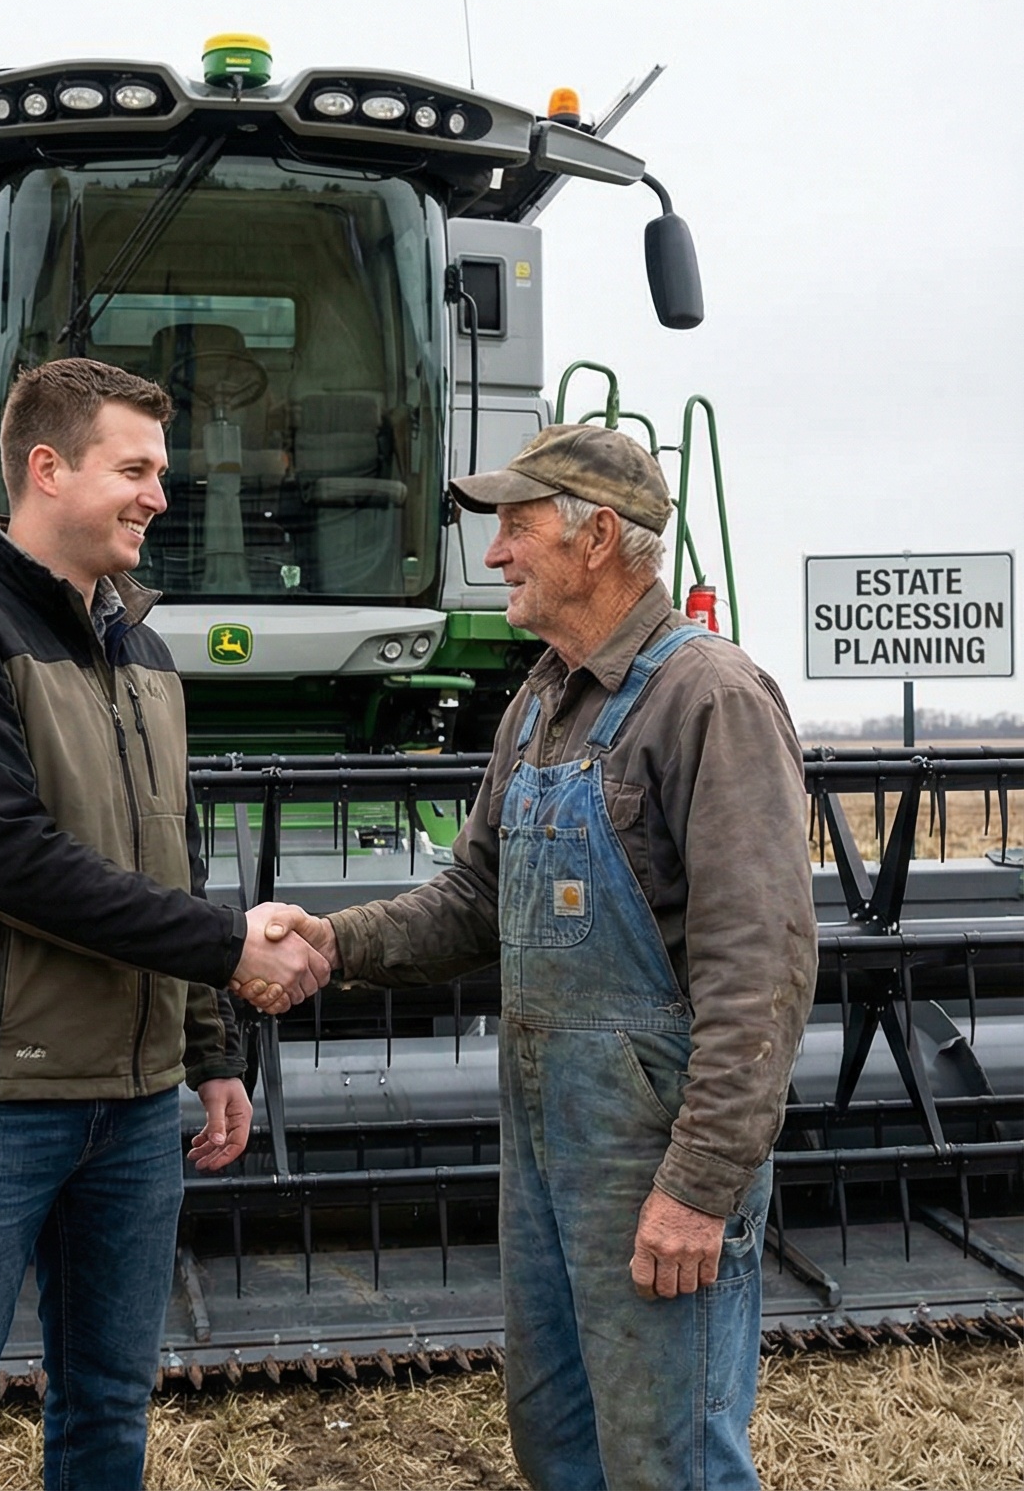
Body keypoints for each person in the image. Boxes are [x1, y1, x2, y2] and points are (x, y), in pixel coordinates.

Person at [264, 425, 814, 1491]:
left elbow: (763, 970)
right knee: (558, 1439)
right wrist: (335, 943)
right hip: (550, 1149)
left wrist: (698, 1187)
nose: (496, 553)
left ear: (598, 537)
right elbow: (471, 897)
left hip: (649, 1155)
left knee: (671, 1459)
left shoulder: (710, 699)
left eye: (516, 527)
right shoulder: (540, 701)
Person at [0, 357, 328, 1491]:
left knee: (108, 1412)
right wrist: (230, 950)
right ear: (47, 468)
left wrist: (210, 1052)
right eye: (136, 468)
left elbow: (167, 861)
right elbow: (9, 862)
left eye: (159, 471)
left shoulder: (145, 655)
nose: (159, 494)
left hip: (131, 1105)